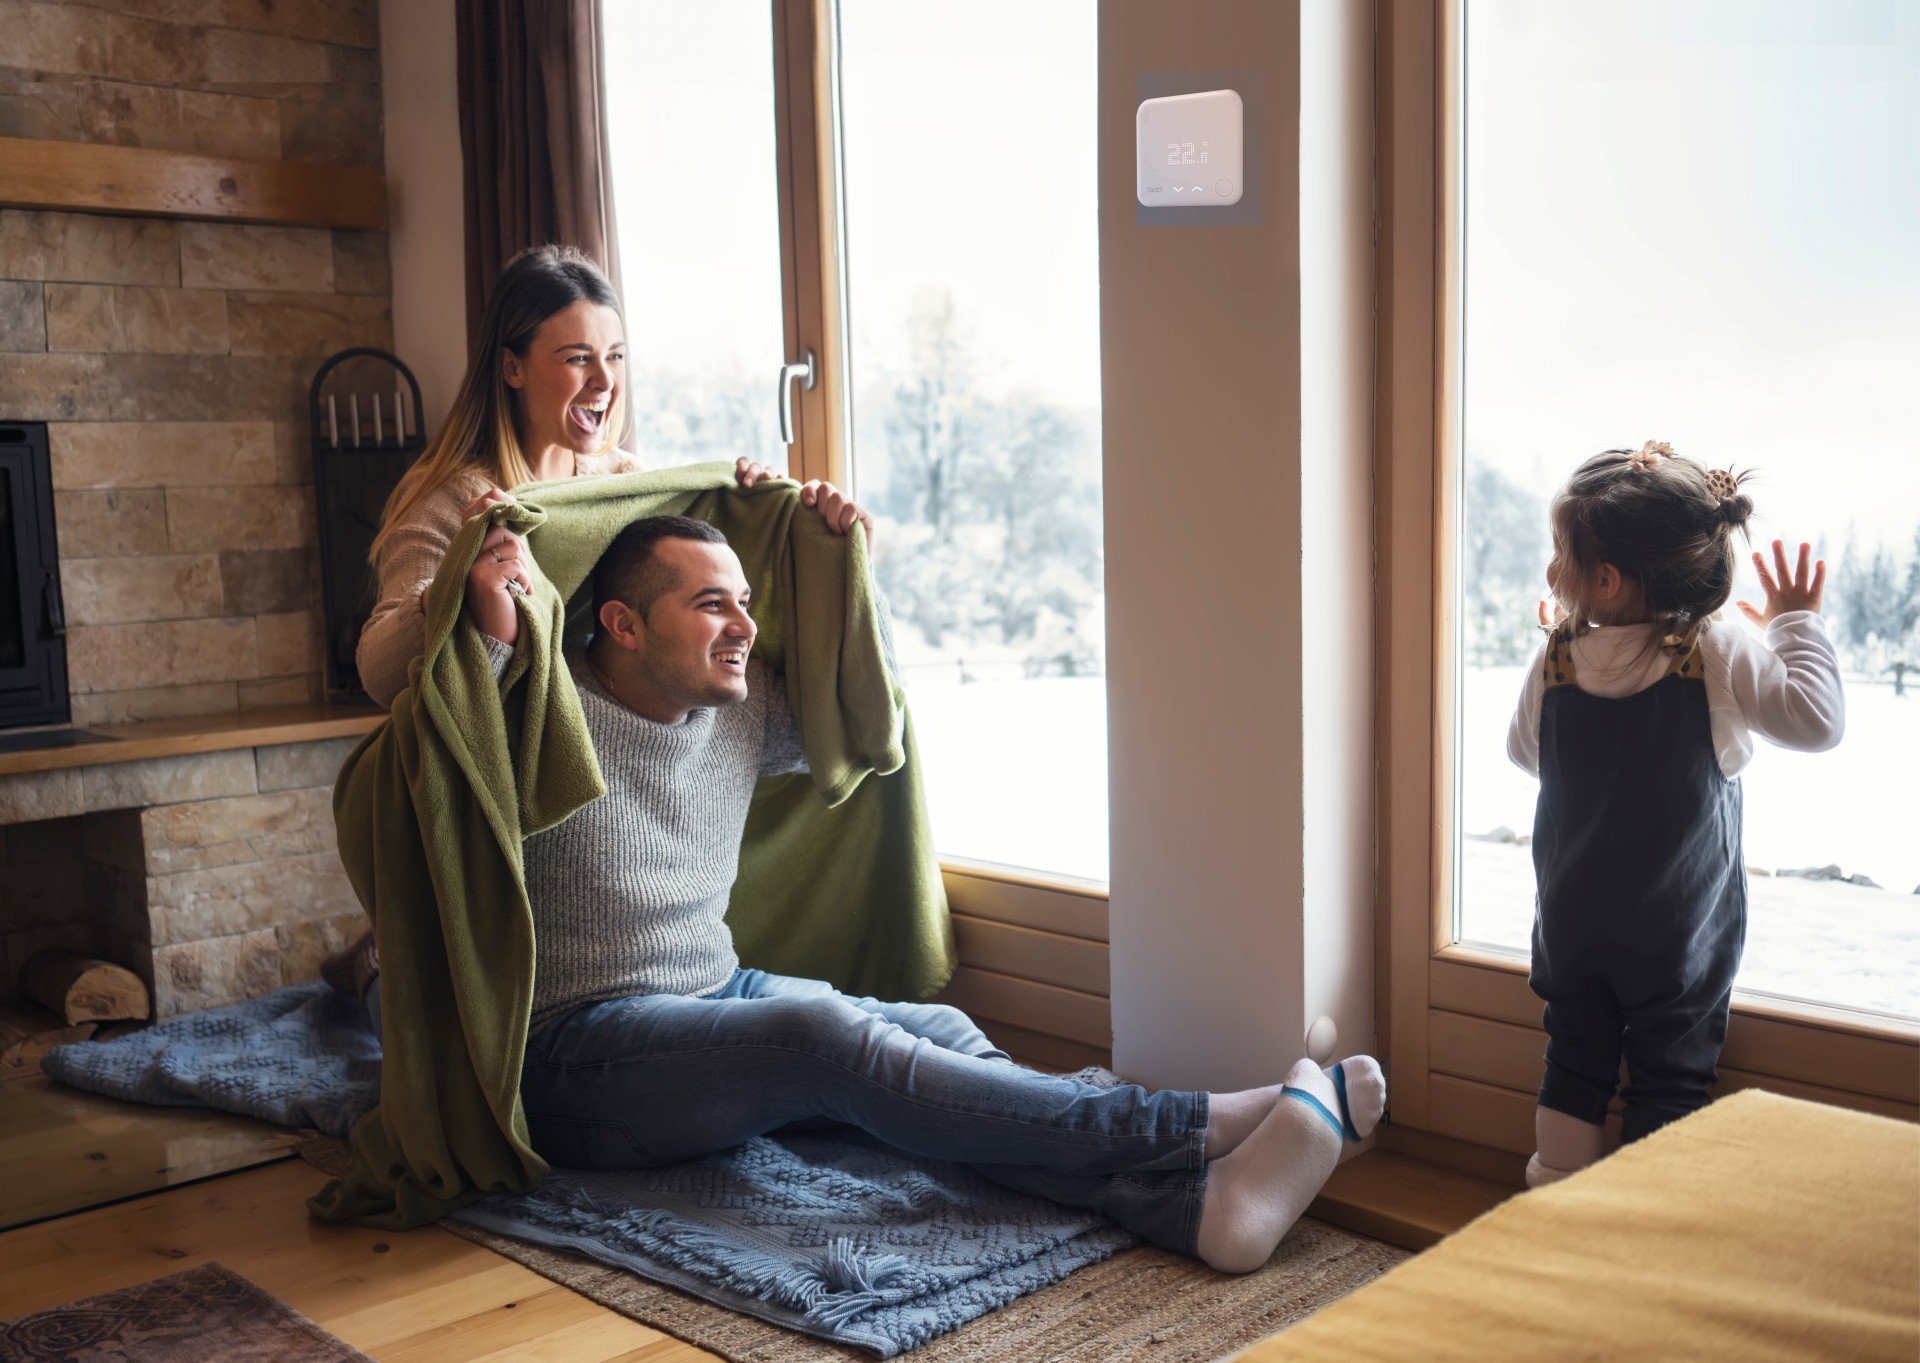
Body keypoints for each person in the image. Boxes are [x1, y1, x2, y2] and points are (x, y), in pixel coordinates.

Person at [340, 511, 1387, 1275]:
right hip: (576, 1051)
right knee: (823, 1035)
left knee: (932, 1026)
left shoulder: (742, 713)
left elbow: (865, 714)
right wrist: (486, 616)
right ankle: (1188, 1125)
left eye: (747, 601)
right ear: (617, 622)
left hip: (711, 996)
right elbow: (443, 730)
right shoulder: (542, 709)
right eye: (712, 603)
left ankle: (1197, 1211)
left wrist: (843, 564)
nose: (743, 625)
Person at [1508, 442, 1844, 1188]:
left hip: (1572, 927)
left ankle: (1554, 1193)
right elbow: (1817, 721)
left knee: (1573, 1059)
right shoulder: (1714, 651)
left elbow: (1525, 753)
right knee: (1670, 1075)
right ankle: (1649, 1220)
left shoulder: (1557, 659)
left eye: (1559, 556)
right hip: (1676, 939)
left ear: (1605, 581)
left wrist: (1576, 660)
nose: (1550, 572)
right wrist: (1793, 624)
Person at [354, 242, 853, 711]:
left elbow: (702, 602)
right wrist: (452, 585)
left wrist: (753, 511)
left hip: (616, 756)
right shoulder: (450, 502)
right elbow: (379, 676)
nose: (605, 381)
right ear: (512, 367)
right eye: (578, 358)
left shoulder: (624, 480)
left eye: (615, 356)